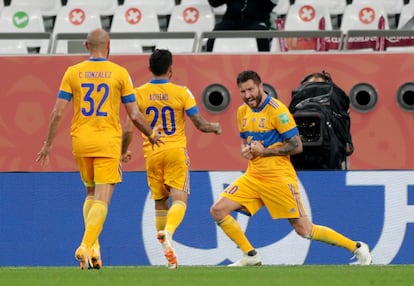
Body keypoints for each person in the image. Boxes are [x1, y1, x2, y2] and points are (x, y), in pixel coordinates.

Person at [210, 70, 372, 266]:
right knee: (218, 210)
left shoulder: (277, 110)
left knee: (305, 230)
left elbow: (296, 146)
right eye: (243, 91)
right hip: (253, 176)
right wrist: (247, 151)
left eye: (251, 89)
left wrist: (265, 151)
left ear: (261, 86)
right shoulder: (242, 112)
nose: (247, 95)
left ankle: (357, 247)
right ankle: (250, 255)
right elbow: (248, 143)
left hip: (278, 177)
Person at [36, 28, 163, 270]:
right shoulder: (120, 73)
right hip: (107, 141)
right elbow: (134, 114)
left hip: (81, 141)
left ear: (86, 45)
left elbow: (58, 112)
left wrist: (48, 144)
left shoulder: (73, 72)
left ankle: (95, 249)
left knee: (90, 193)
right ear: (109, 45)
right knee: (103, 197)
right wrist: (150, 133)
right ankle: (85, 244)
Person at [121, 49, 222, 269]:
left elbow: (128, 129)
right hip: (175, 151)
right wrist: (214, 128)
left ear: (149, 69)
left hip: (152, 153)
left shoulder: (138, 93)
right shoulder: (182, 92)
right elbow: (199, 123)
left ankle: (165, 247)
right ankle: (168, 233)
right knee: (179, 200)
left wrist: (123, 152)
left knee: (160, 201)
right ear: (171, 69)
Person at [206, 0, 278, 52]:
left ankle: (264, 66)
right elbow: (214, 3)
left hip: (257, 20)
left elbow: (274, 3)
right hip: (231, 20)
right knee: (214, 36)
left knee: (260, 36)